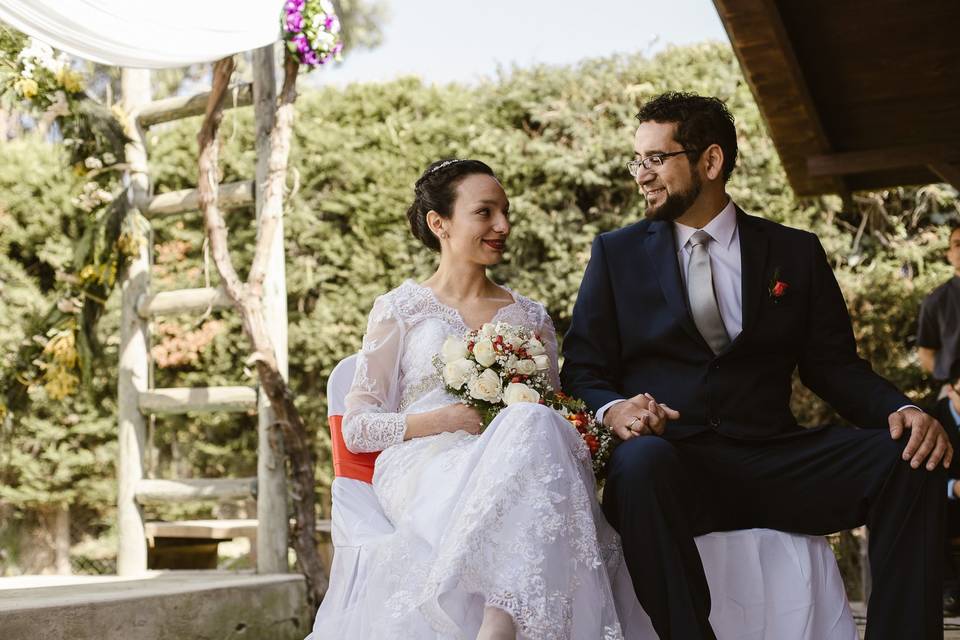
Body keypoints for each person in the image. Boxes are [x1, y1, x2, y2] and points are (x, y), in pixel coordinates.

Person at [560, 92, 952, 640]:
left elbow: (833, 366)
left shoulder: (795, 251)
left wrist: (903, 408)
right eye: (637, 160)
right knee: (640, 465)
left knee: (913, 456)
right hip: (674, 465)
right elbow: (582, 370)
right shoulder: (615, 253)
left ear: (711, 161)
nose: (641, 175)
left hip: (775, 460)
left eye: (655, 159)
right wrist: (615, 409)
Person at [310, 159, 645, 639]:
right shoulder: (399, 309)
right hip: (424, 464)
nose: (503, 226)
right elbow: (357, 428)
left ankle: (499, 623)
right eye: (485, 212)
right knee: (530, 428)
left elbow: (558, 414)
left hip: (516, 457)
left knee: (533, 423)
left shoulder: (530, 316)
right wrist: (445, 420)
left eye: (505, 212)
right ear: (439, 223)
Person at [917, 226, 960, 396]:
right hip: (954, 391)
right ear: (949, 255)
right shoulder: (936, 300)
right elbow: (926, 353)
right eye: (957, 244)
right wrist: (952, 383)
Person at [930, 381, 960, 615]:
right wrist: (954, 487)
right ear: (950, 390)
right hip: (943, 503)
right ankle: (949, 591)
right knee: (929, 512)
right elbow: (918, 476)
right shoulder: (931, 419)